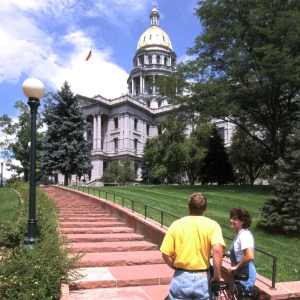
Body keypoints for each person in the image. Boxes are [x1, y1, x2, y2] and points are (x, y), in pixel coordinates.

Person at [160, 192, 225, 300]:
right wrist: (217, 276)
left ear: (188, 207)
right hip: (203, 278)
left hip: (181, 277)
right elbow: (218, 250)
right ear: (205, 208)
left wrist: (175, 267)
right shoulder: (213, 225)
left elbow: (165, 253)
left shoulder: (176, 225)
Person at [228, 208, 256, 293]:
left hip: (245, 276)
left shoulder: (245, 235)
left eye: (235, 219)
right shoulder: (240, 234)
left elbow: (249, 256)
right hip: (240, 274)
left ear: (242, 221)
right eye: (231, 218)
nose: (231, 220)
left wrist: (236, 267)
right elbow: (239, 253)